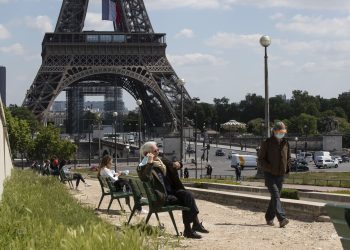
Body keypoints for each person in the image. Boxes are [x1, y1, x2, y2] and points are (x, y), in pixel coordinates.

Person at [138, 141, 209, 239]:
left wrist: (178, 164)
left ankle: (193, 226)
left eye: (158, 149)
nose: (158, 152)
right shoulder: (143, 166)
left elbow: (174, 164)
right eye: (155, 150)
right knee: (187, 199)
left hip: (171, 192)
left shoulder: (160, 161)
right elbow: (145, 177)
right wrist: (149, 163)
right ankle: (190, 229)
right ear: (147, 154)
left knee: (187, 194)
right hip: (162, 197)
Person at [258, 121, 291, 228]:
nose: (281, 133)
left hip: (280, 175)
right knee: (276, 195)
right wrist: (270, 168)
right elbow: (261, 160)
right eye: (279, 131)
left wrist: (287, 169)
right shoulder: (267, 143)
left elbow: (289, 157)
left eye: (283, 131)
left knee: (275, 197)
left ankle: (269, 217)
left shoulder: (286, 143)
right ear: (274, 131)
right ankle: (282, 219)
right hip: (269, 174)